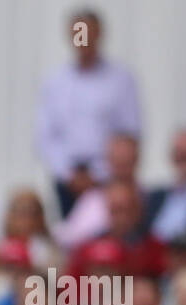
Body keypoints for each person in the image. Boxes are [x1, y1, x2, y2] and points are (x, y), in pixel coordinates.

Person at [35, 8, 142, 217]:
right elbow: (46, 135)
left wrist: (98, 173)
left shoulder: (120, 80)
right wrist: (68, 174)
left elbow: (129, 133)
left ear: (99, 34)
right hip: (66, 180)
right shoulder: (56, 81)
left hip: (107, 179)